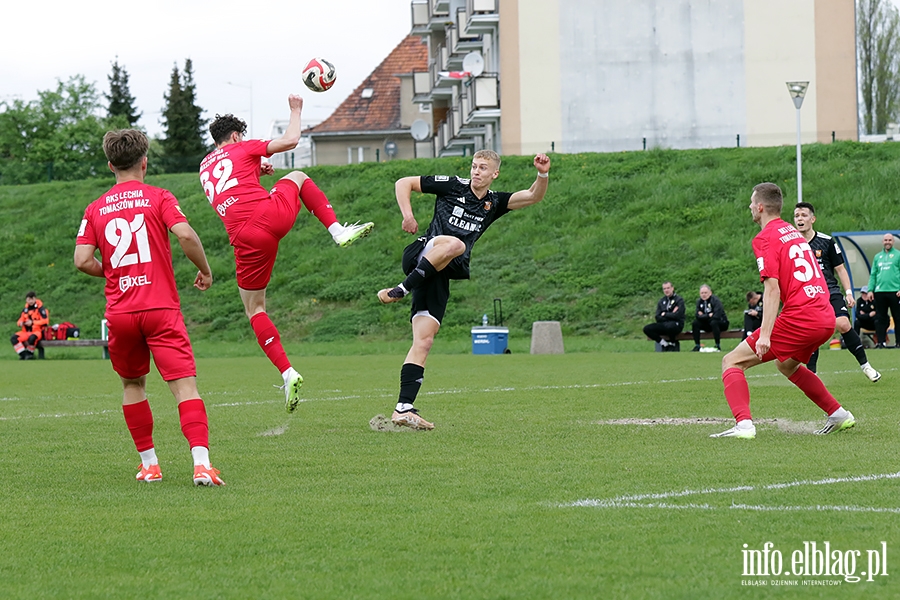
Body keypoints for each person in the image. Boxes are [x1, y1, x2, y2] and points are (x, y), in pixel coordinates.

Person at [199, 95, 374, 412]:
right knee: (297, 177)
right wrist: (295, 110)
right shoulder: (243, 147)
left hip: (243, 238)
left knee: (255, 309)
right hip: (268, 218)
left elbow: (234, 186)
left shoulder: (204, 166)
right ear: (237, 136)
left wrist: (256, 171)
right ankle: (339, 231)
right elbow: (291, 140)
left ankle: (287, 372)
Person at [75, 129, 224, 486]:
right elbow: (186, 235)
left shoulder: (95, 208)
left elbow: (82, 260)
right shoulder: (159, 197)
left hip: (121, 313)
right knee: (185, 388)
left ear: (111, 165)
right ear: (145, 162)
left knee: (133, 385)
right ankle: (201, 464)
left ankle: (150, 465)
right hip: (160, 308)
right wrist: (205, 270)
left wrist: (111, 272)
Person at [376, 150, 551, 430]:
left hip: (437, 274)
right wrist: (407, 216)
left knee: (424, 341)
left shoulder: (494, 202)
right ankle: (401, 289)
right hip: (422, 252)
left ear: (495, 174)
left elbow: (532, 196)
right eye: (474, 166)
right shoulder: (452, 185)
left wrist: (542, 173)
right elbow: (403, 182)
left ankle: (403, 408)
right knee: (456, 245)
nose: (476, 171)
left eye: (483, 168)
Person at [711, 182, 855, 439]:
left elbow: (772, 290)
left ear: (760, 207)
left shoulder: (765, 238)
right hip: (824, 316)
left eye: (751, 203)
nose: (749, 207)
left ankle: (743, 425)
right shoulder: (792, 232)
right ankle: (838, 414)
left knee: (731, 361)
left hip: (801, 318)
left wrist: (764, 334)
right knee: (787, 365)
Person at [793, 202, 880, 381]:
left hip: (829, 292)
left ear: (812, 219)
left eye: (803, 215)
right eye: (796, 216)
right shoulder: (791, 244)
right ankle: (812, 376)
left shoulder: (825, 242)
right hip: (807, 295)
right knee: (812, 332)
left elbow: (840, 269)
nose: (799, 219)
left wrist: (848, 292)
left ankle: (866, 366)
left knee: (843, 324)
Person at [867, 233, 900, 349]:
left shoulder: (898, 255)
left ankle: (898, 343)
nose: (887, 242)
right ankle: (881, 343)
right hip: (880, 291)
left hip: (895, 291)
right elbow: (873, 274)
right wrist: (870, 290)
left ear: (893, 242)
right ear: (882, 242)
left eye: (890, 240)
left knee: (898, 317)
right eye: (885, 240)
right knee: (880, 318)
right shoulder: (877, 257)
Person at [643, 282, 686, 352]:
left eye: (668, 288)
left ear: (672, 288)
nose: (666, 290)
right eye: (664, 289)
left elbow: (678, 315)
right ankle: (664, 344)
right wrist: (671, 314)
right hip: (664, 324)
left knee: (670, 326)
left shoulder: (679, 300)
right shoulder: (661, 301)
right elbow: (657, 317)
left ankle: (673, 343)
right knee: (647, 329)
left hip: (676, 325)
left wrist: (665, 314)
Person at [10, 291, 49, 360]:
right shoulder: (25, 309)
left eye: (32, 299)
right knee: (14, 338)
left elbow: (45, 321)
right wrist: (20, 323)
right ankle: (24, 354)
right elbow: (20, 320)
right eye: (29, 299)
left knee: (32, 338)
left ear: (35, 299)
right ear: (26, 300)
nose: (30, 301)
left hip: (37, 331)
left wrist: (33, 322)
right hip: (26, 331)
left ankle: (30, 354)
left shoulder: (41, 309)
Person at [691, 285, 729, 351]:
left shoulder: (716, 301)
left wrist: (703, 316)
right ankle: (697, 345)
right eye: (702, 293)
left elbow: (716, 316)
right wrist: (708, 315)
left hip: (721, 323)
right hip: (708, 322)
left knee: (714, 322)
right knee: (695, 323)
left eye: (705, 293)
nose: (704, 295)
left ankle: (717, 345)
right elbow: (697, 316)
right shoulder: (699, 302)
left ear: (710, 293)